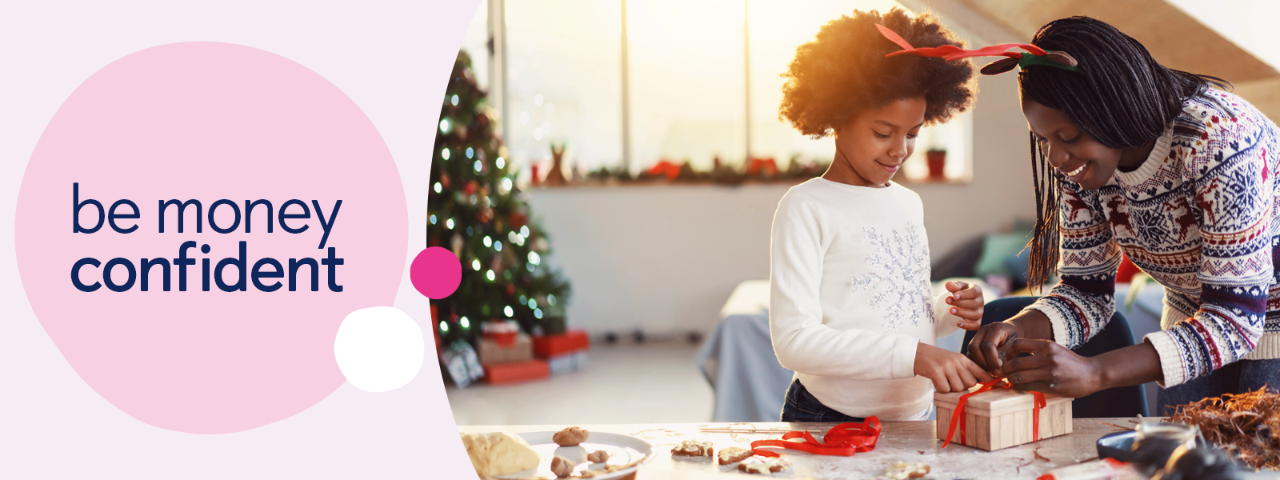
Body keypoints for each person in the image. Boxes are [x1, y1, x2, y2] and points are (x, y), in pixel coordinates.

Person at [964, 16, 1280, 414]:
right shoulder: (1081, 168)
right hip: (1196, 316)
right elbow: (1086, 291)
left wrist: (1097, 372)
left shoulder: (1219, 140)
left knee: (1258, 467)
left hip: (1263, 315)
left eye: (1068, 137)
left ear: (1115, 108)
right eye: (1043, 139)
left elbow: (1235, 315)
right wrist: (1018, 326)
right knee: (1182, 467)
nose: (1056, 158)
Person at [770, 7, 990, 423]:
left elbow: (898, 309)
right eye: (882, 132)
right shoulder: (807, 206)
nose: (900, 150)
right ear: (837, 117)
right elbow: (793, 341)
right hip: (831, 414)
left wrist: (951, 309)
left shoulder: (908, 203)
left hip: (914, 413)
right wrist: (913, 356)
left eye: (912, 133)